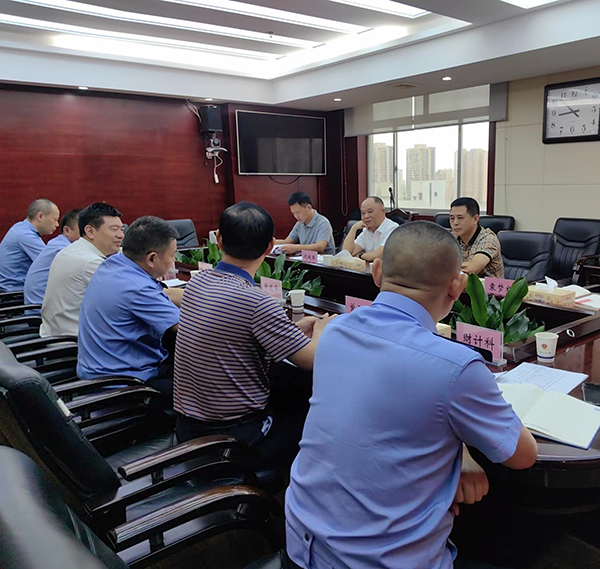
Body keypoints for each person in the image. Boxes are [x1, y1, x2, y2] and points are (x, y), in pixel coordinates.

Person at [285, 221, 537, 569]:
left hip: (299, 543)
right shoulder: (457, 366)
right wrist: (462, 450)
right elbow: (523, 455)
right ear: (458, 285)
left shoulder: (336, 330)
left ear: (377, 272)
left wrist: (460, 452)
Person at [174, 202, 335, 471]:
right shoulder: (257, 301)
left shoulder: (197, 283)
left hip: (188, 428)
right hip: (233, 438)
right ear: (270, 247)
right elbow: (311, 359)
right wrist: (322, 329)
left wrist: (292, 332)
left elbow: (236, 337)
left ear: (219, 239)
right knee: (315, 419)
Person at [77, 216, 182, 401]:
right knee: (205, 382)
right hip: (123, 384)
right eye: (172, 255)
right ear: (152, 258)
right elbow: (191, 330)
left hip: (100, 369)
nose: (173, 261)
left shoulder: (115, 264)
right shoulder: (137, 288)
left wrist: (209, 296)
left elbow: (164, 294)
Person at [40, 202, 123, 337]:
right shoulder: (90, 262)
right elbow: (128, 297)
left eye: (122, 230)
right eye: (114, 229)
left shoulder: (73, 249)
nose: (121, 235)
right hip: (73, 340)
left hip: (54, 332)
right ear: (90, 231)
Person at [23, 209, 82, 307]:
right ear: (67, 230)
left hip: (42, 304)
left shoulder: (57, 243)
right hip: (40, 309)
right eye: (84, 231)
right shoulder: (63, 250)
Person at [0, 199, 60, 292]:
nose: (57, 224)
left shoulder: (20, 227)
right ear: (40, 216)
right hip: (14, 293)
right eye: (55, 220)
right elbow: (53, 264)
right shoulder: (26, 236)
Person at [450, 197, 504, 278]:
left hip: (488, 286)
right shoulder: (451, 237)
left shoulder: (488, 238)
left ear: (475, 219)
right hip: (462, 284)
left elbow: (471, 269)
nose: (455, 223)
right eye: (452, 218)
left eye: (460, 218)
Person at [342, 196, 398, 262]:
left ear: (382, 212)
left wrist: (360, 255)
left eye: (370, 212)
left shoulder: (392, 228)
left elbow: (379, 255)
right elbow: (346, 253)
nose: (366, 216)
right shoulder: (366, 230)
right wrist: (354, 228)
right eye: (363, 213)